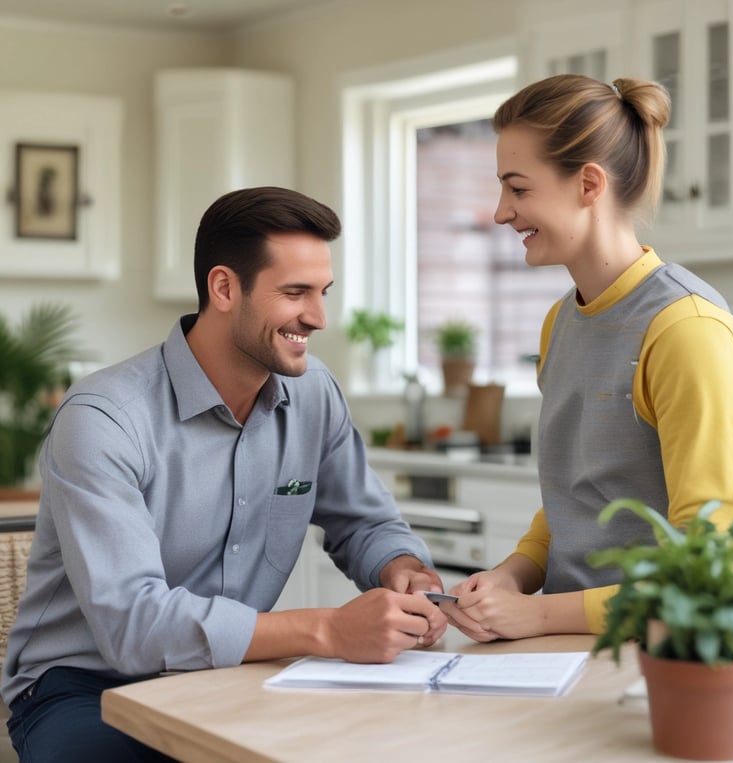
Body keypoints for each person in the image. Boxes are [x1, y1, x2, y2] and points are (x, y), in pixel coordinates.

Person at [2, 186, 448, 762]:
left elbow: (364, 522)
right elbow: (134, 624)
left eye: (322, 292)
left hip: (240, 673)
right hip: (86, 686)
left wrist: (402, 567)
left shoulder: (314, 396)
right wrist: (329, 631)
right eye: (295, 293)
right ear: (224, 288)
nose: (317, 317)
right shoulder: (103, 418)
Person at [443, 74, 733, 644]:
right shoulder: (561, 322)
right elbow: (572, 502)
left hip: (659, 655)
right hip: (568, 648)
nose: (500, 212)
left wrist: (537, 615)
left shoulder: (686, 331)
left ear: (588, 184)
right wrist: (508, 579)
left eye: (518, 189)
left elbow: (715, 570)